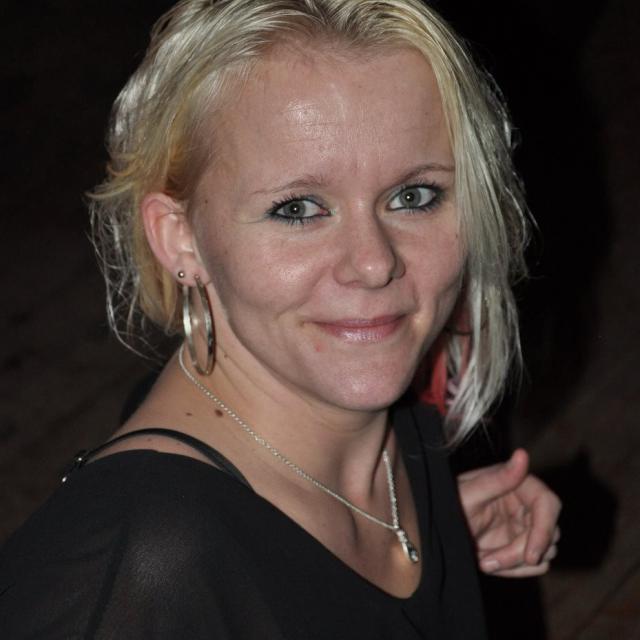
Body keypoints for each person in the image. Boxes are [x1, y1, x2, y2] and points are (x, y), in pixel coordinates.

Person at [0, 0, 561, 637]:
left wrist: (439, 530)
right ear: (181, 238)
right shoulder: (142, 567)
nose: (374, 264)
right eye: (297, 209)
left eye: (414, 196)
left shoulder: (382, 423)